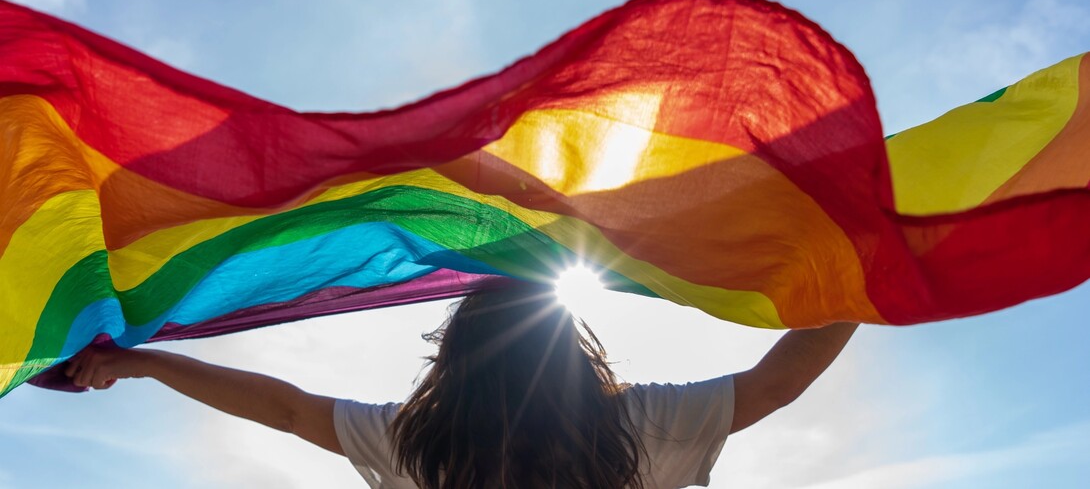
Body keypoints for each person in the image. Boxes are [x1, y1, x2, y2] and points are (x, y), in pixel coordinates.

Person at [66, 280, 857, 488]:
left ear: (452, 358)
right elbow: (777, 382)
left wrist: (147, 360)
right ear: (572, 350)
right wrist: (872, 286)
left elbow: (284, 407)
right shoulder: (636, 429)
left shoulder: (419, 446)